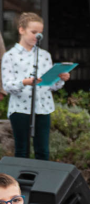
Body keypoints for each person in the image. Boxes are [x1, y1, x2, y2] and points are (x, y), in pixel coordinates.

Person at [1, 12, 70, 160]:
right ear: (21, 30)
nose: (37, 36)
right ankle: (20, 183)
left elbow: (50, 86)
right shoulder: (10, 56)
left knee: (43, 150)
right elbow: (7, 85)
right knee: (22, 150)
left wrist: (60, 78)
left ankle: (41, 182)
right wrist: (24, 82)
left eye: (40, 33)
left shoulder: (44, 55)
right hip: (20, 109)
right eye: (34, 32)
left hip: (43, 107)